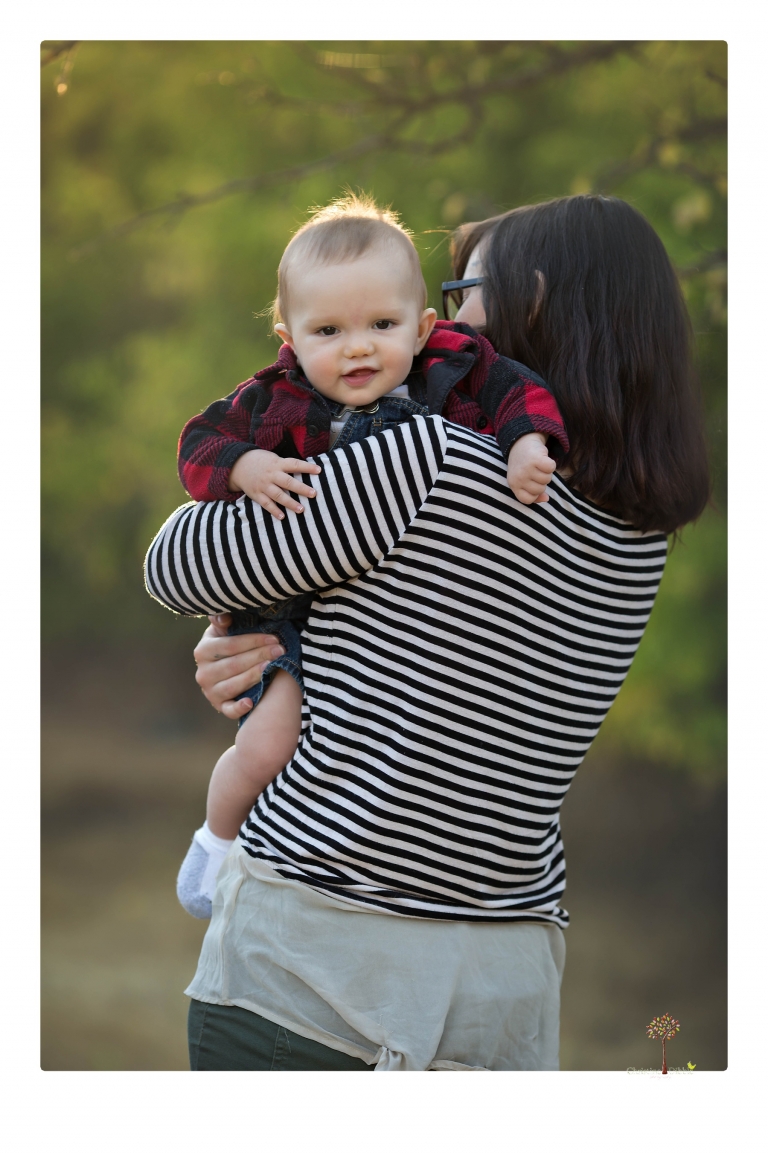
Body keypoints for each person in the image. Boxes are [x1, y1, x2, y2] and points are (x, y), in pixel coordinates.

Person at [145, 194, 710, 1070]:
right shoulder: (638, 540)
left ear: (536, 294)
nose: (446, 316)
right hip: (509, 973)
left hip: (326, 959)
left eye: (462, 288)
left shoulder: (425, 459)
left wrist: (238, 635)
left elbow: (175, 565)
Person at [173, 193, 569, 918]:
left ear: (423, 330)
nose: (357, 348)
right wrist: (243, 468)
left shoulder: (446, 392)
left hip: (352, 626)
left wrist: (526, 443)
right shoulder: (272, 400)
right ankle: (216, 840)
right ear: (289, 336)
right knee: (267, 746)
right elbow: (198, 447)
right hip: (288, 613)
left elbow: (518, 392)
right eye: (328, 330)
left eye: (382, 326)